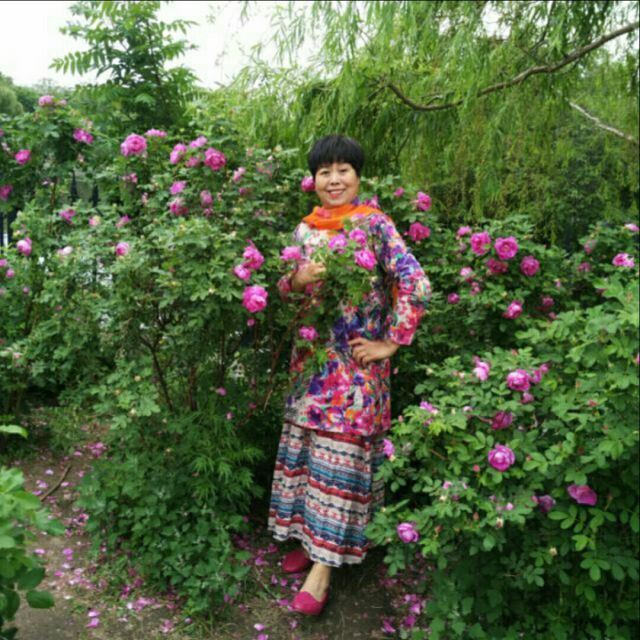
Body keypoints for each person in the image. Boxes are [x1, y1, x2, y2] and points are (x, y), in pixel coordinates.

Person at [268, 134, 431, 616]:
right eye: (325, 172)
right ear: (314, 180)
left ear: (358, 177)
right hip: (309, 369)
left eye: (344, 170)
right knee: (309, 461)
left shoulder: (374, 226)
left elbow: (415, 282)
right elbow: (283, 291)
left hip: (354, 376)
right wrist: (296, 279)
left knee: (338, 467)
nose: (334, 179)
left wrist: (391, 342)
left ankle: (322, 571)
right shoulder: (305, 230)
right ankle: (307, 541)